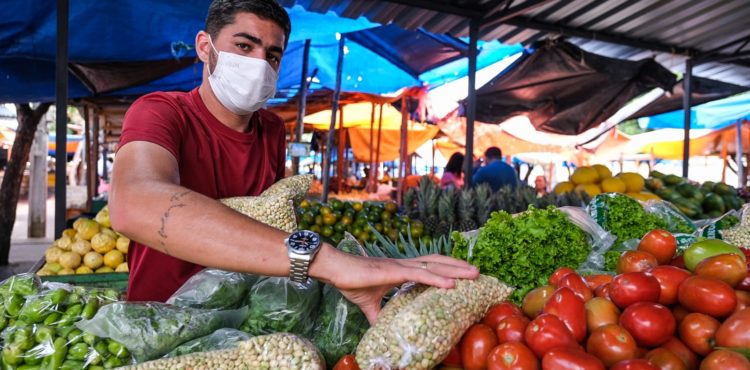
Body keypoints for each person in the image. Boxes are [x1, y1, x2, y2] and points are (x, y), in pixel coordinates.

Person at [109, 0, 477, 323]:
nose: (259, 63)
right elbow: (134, 203)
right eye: (243, 46)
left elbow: (270, 217)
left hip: (244, 319)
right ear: (205, 47)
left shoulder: (271, 129)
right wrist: (329, 261)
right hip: (163, 314)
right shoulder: (161, 112)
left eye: (271, 54)